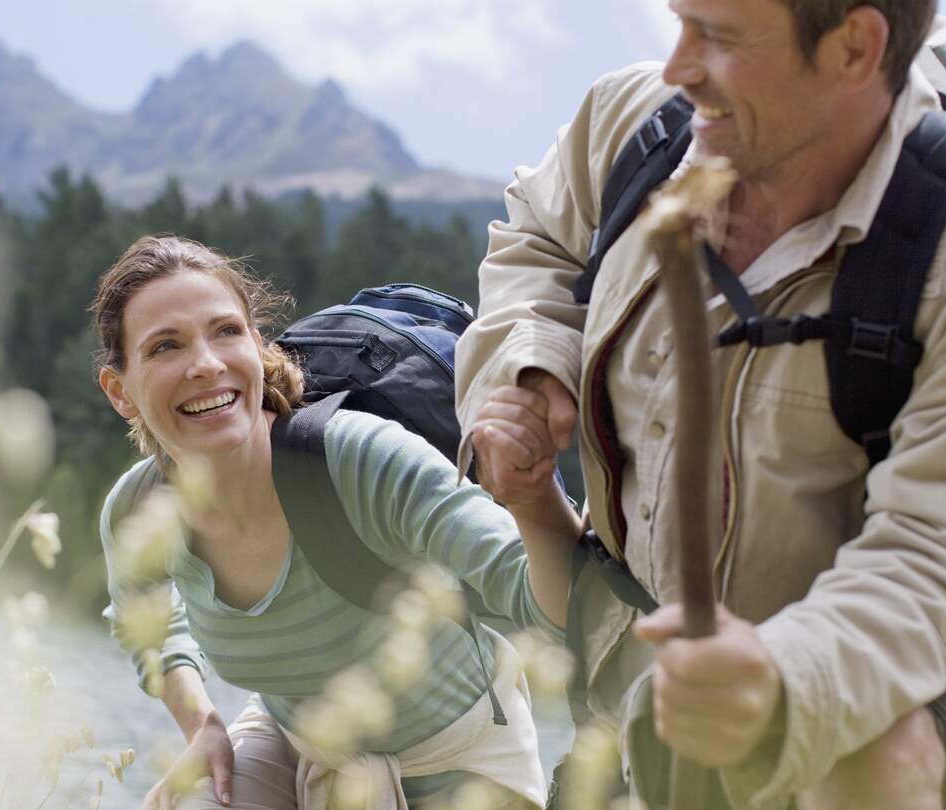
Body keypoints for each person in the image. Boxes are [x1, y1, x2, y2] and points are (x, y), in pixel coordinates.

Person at [455, 2, 946, 808]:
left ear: (854, 47)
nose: (677, 68)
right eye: (681, 23)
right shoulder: (638, 128)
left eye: (718, 38)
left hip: (853, 716)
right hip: (619, 687)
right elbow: (536, 240)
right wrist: (525, 368)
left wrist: (780, 685)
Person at [90, 235, 581, 810]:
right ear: (120, 392)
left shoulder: (360, 461)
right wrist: (202, 723)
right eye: (165, 346)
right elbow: (140, 616)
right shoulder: (140, 510)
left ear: (256, 344)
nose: (205, 364)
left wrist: (533, 494)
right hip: (294, 744)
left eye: (225, 331)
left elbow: (550, 600)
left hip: (457, 763)